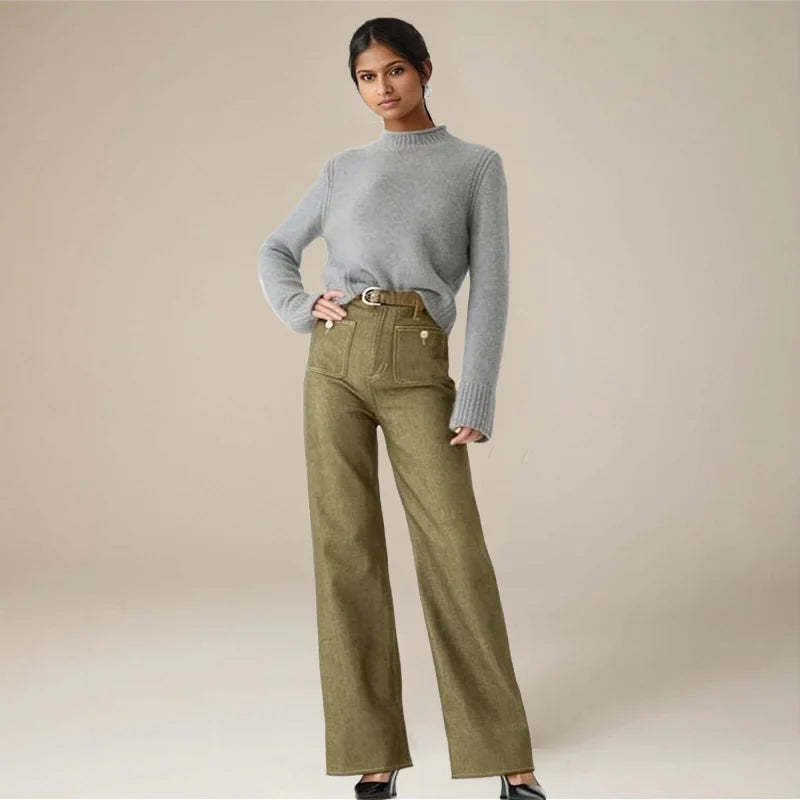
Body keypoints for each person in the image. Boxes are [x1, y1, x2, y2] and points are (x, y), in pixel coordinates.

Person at [257, 16, 547, 800]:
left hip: (418, 360)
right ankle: (373, 755)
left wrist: (477, 392)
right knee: (345, 551)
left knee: (455, 553)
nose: (382, 88)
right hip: (336, 363)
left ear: (423, 70)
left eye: (394, 71)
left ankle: (508, 760)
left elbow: (492, 287)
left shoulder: (475, 166)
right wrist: (301, 308)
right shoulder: (343, 168)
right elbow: (275, 249)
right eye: (366, 77)